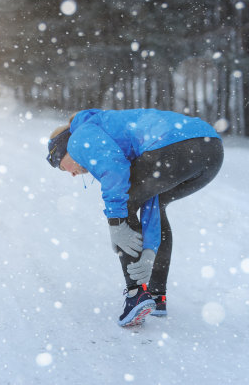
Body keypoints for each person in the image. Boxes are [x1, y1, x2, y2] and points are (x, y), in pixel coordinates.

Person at [46, 108, 223, 327]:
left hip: (173, 147)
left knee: (122, 203)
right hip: (210, 150)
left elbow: (114, 168)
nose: (70, 174)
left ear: (62, 148)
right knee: (155, 201)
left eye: (61, 166)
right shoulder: (106, 129)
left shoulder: (78, 137)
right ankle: (157, 296)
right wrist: (149, 250)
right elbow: (149, 197)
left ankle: (137, 294)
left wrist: (117, 223)